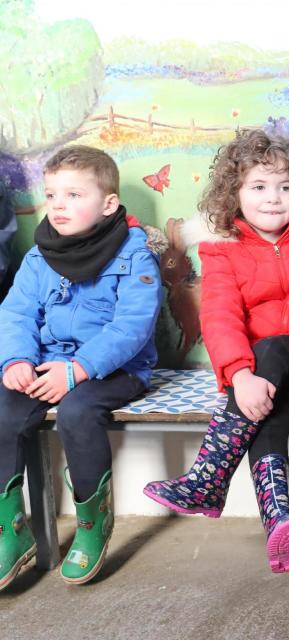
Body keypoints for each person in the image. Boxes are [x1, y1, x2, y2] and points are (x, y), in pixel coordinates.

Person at [143, 130, 289, 574]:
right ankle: (279, 516)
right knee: (263, 398)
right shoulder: (221, 250)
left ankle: (207, 479)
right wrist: (240, 376)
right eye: (258, 187)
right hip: (260, 373)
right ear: (234, 194)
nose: (273, 198)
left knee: (271, 353)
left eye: (285, 187)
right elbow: (220, 316)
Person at [0, 145, 162, 587]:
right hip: (49, 364)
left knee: (76, 411)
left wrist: (81, 368)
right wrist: (16, 360)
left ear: (107, 204)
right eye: (52, 195)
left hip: (115, 369)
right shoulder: (39, 257)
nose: (58, 206)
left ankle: (93, 524)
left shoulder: (133, 253)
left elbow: (133, 324)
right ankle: (10, 530)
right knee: (5, 407)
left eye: (73, 195)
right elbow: (15, 313)